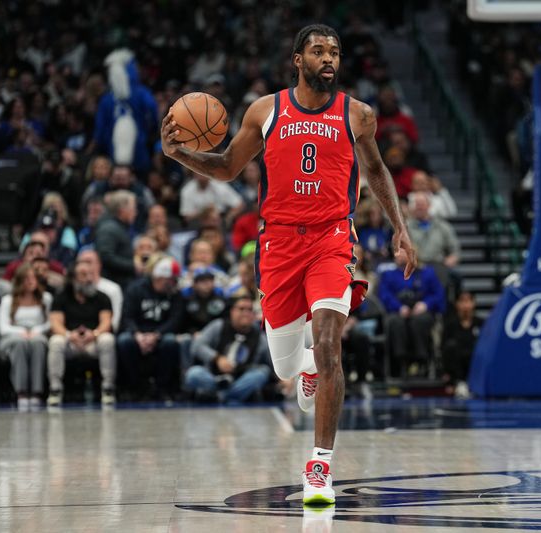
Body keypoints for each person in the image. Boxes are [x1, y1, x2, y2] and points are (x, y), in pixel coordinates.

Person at [161, 23, 417, 505]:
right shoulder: (266, 110)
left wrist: (400, 228)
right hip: (278, 245)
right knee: (284, 366)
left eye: (335, 52)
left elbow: (377, 171)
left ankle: (319, 465)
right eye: (318, 50)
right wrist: (179, 153)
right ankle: (302, 368)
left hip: (332, 240)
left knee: (328, 341)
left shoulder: (357, 115)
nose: (329, 59)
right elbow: (226, 167)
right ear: (297, 60)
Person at [47, 259, 115, 407]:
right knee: (55, 341)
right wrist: (69, 335)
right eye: (84, 275)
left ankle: (108, 388)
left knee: (107, 339)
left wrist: (95, 334)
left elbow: (106, 322)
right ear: (73, 278)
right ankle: (55, 389)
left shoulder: (102, 297)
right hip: (71, 342)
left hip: (93, 342)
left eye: (91, 274)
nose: (89, 278)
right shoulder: (61, 297)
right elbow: (55, 323)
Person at [117, 256, 183, 400]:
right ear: (161, 278)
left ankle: (162, 387)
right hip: (138, 333)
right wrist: (137, 334)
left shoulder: (175, 294)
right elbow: (127, 317)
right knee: (124, 341)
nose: (175, 283)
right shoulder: (135, 289)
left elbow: (175, 320)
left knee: (170, 341)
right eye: (172, 279)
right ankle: (135, 386)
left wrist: (157, 334)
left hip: (161, 333)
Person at [185, 294, 271, 404]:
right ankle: (230, 397)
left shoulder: (259, 336)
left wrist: (284, 379)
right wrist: (217, 358)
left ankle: (221, 396)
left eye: (250, 310)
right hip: (214, 376)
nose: (246, 313)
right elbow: (197, 346)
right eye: (241, 309)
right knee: (194, 373)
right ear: (232, 311)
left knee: (262, 373)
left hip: (241, 378)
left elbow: (271, 361)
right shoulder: (218, 326)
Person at [0, 264, 52, 409]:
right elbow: (3, 328)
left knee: (37, 343)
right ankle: (21, 392)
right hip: (12, 337)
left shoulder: (46, 299)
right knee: (21, 343)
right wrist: (20, 332)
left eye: (33, 278)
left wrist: (36, 330)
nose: (30, 281)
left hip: (37, 335)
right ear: (19, 280)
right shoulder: (7, 300)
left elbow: (49, 323)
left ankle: (36, 391)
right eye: (27, 278)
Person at [94, 190, 138, 289]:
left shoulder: (119, 227)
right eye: (133, 208)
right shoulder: (109, 228)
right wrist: (132, 265)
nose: (135, 213)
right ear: (122, 210)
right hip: (113, 283)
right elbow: (105, 257)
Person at [75, 249, 123, 332]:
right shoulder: (72, 288)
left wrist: (97, 333)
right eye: (81, 262)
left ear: (99, 265)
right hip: (75, 334)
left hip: (103, 333)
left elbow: (115, 320)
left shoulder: (112, 289)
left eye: (88, 262)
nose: (85, 266)